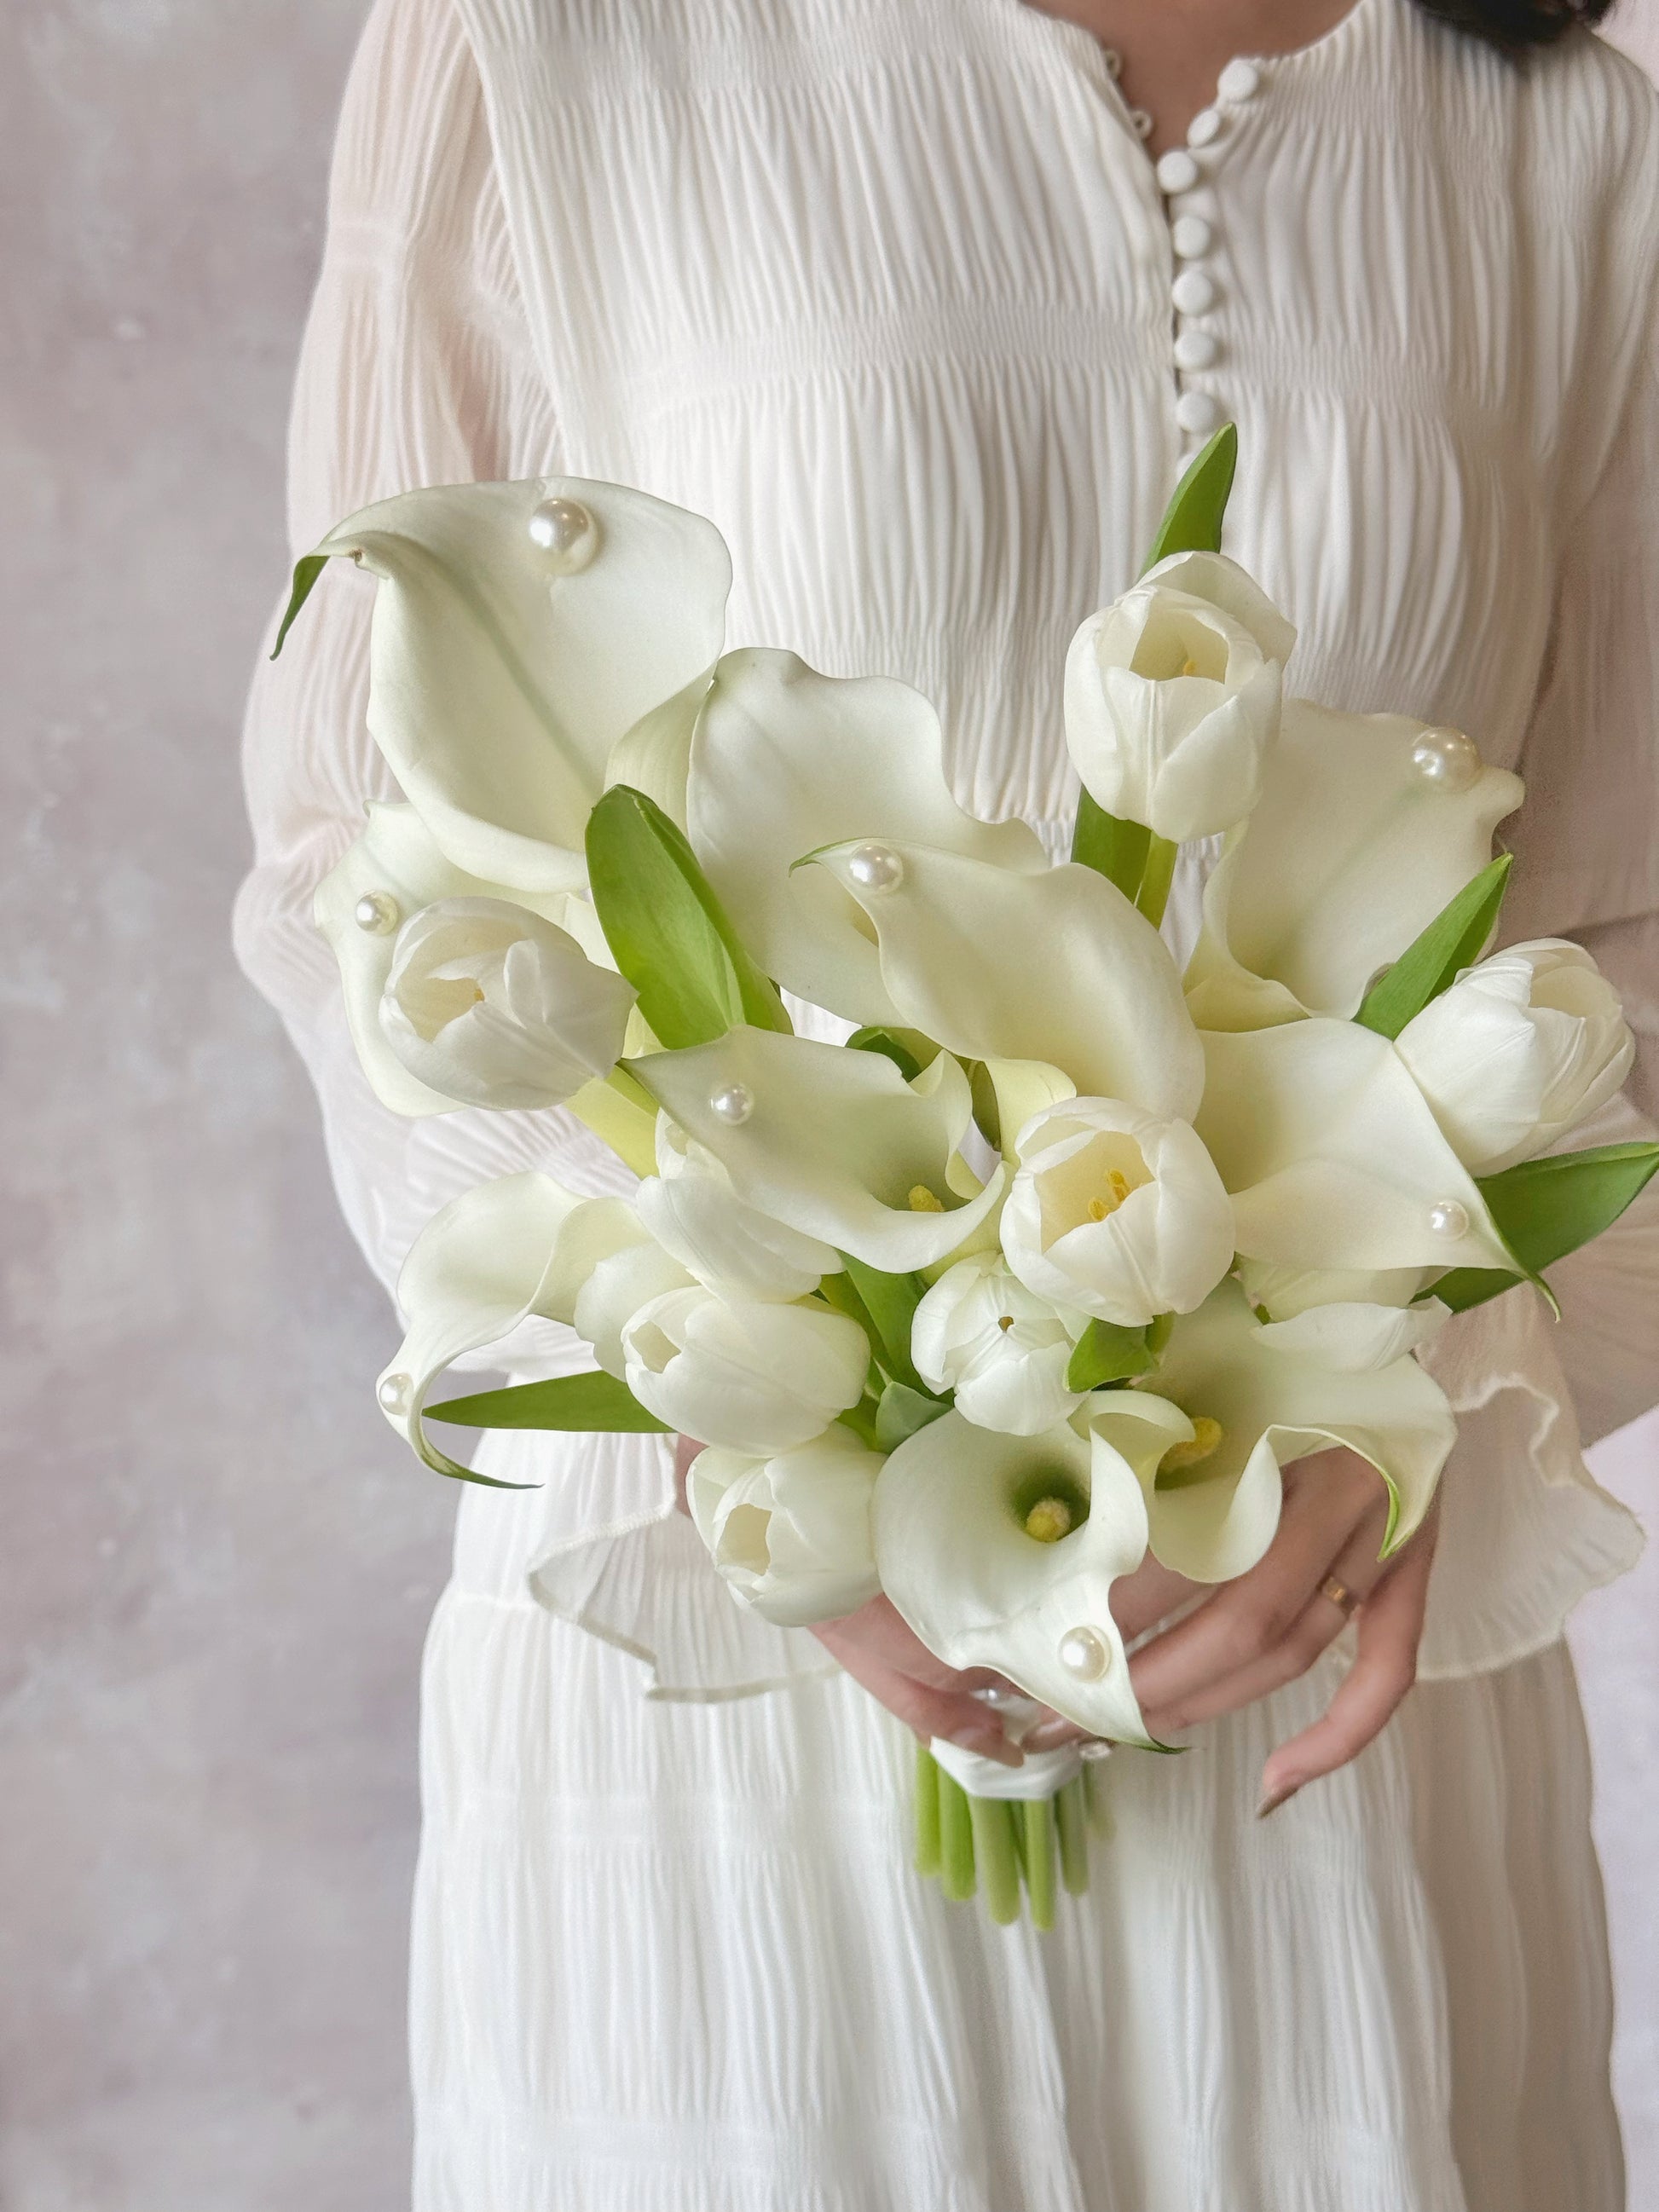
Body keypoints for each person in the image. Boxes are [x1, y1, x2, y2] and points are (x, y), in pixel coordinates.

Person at [236, 0, 1659, 2203]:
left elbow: (1624, 943)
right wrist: (752, 1416)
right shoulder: (539, 32)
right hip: (714, 1667)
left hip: (1324, 1702)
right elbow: (352, 829)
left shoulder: (1582, 107)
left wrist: (1432, 1393)